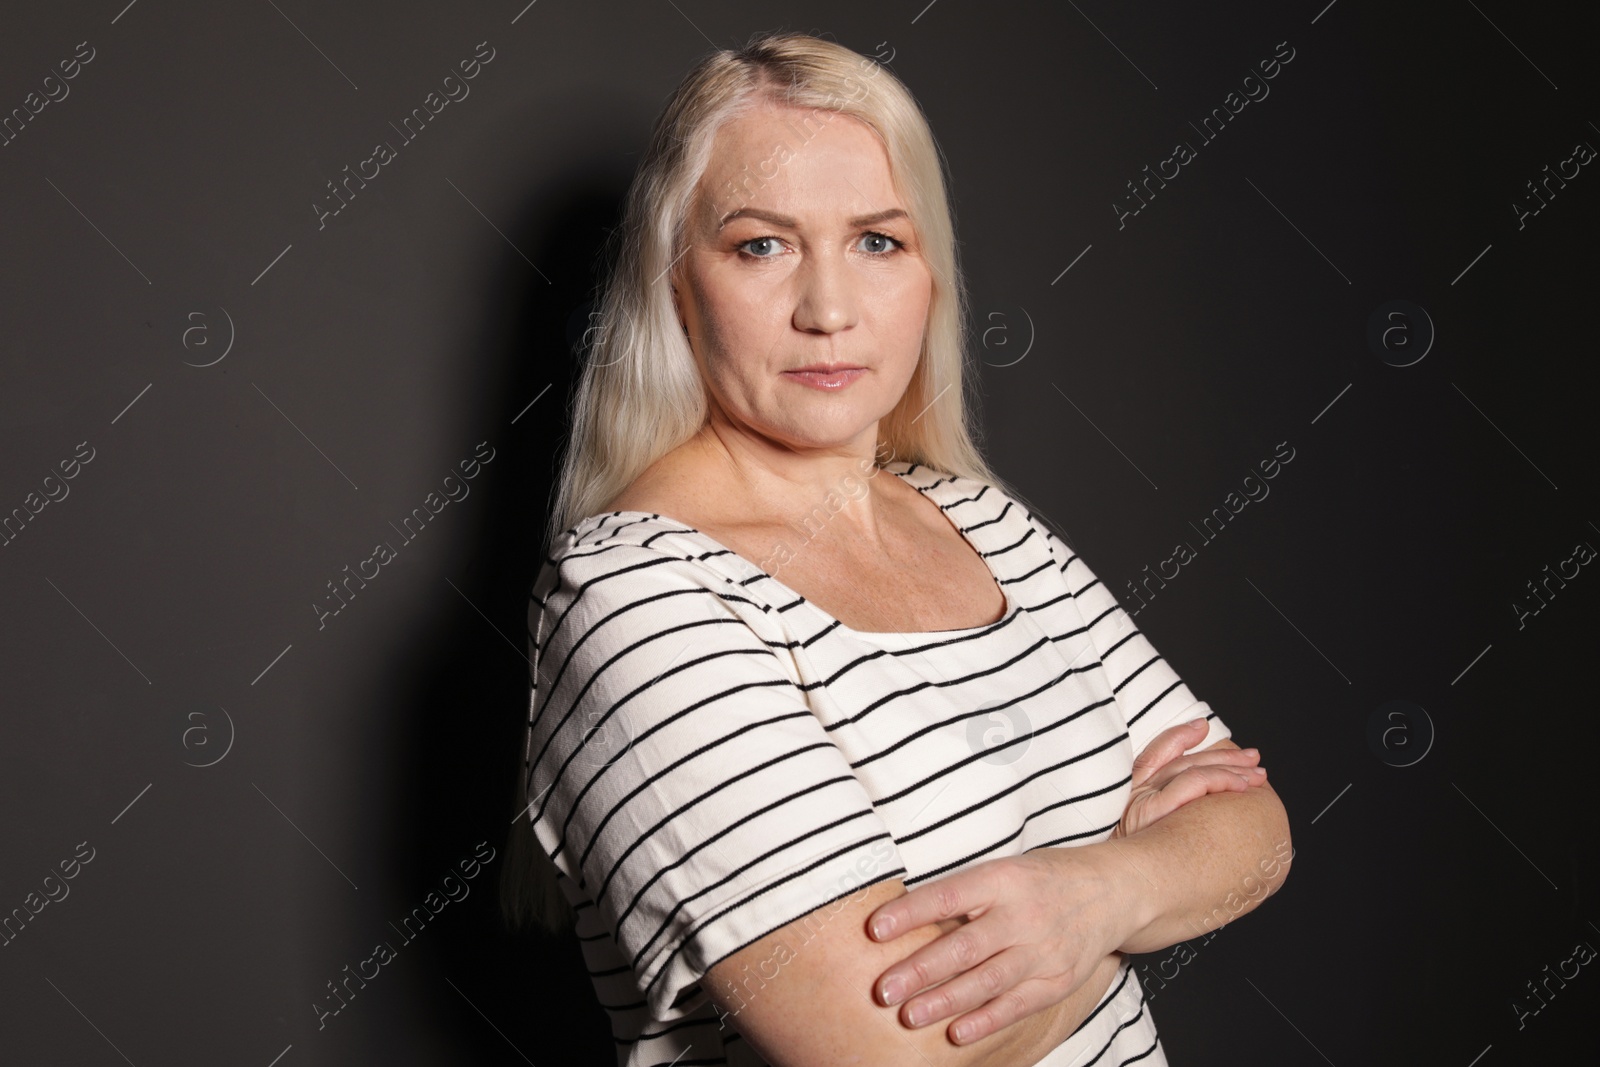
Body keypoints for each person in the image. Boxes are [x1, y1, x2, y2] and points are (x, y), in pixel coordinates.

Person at [499, 30, 1291, 1067]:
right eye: (760, 245)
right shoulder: (634, 596)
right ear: (672, 282)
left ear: (929, 272)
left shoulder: (979, 521)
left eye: (877, 241)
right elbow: (887, 1051)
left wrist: (1094, 891)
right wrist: (1131, 889)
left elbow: (1256, 832)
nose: (829, 310)